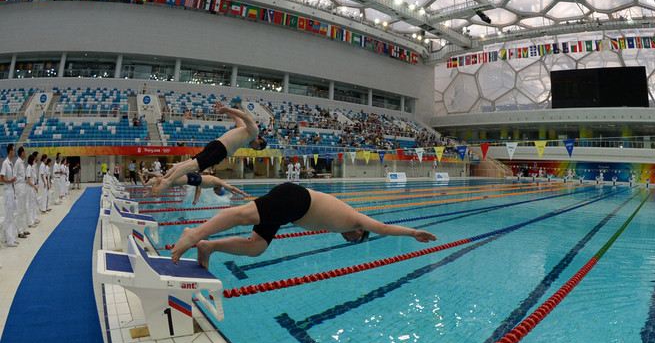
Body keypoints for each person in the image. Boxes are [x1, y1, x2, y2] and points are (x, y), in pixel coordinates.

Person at [170, 182, 437, 268]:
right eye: (358, 239)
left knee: (256, 248)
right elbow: (387, 229)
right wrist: (413, 232)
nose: (352, 240)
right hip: (296, 199)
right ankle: (194, 233)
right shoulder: (356, 219)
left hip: (292, 211)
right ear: (360, 232)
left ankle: (207, 246)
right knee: (243, 215)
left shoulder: (344, 225)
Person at [151, 101, 266, 195]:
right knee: (192, 166)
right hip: (220, 150)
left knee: (188, 162)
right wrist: (226, 109)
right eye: (256, 148)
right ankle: (167, 181)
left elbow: (236, 117)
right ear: (260, 142)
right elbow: (244, 115)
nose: (253, 148)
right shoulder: (254, 132)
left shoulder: (245, 131)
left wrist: (226, 111)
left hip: (215, 145)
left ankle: (163, 177)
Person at [142, 171, 249, 205]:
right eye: (217, 192)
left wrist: (196, 199)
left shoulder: (212, 184)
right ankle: (155, 179)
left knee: (170, 183)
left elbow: (199, 189)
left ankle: (156, 180)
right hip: (192, 178)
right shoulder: (218, 182)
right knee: (166, 183)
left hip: (193, 179)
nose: (215, 192)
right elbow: (231, 188)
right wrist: (242, 193)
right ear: (219, 189)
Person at [1, 144, 19, 247]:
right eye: (13, 150)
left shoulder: (11, 163)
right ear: (9, 151)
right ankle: (9, 240)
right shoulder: (5, 163)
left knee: (12, 216)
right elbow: (1, 178)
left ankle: (12, 237)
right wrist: (10, 181)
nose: (14, 151)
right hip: (7, 192)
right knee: (8, 217)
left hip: (12, 191)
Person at [13, 147, 29, 239]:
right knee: (20, 209)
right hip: (19, 186)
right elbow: (14, 176)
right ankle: (19, 231)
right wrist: (15, 190)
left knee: (23, 209)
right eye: (24, 151)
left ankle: (23, 229)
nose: (25, 153)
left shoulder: (22, 163)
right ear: (21, 153)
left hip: (23, 185)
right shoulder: (18, 162)